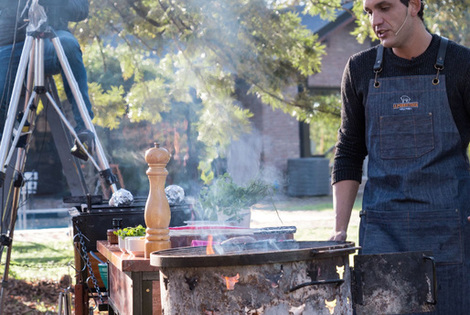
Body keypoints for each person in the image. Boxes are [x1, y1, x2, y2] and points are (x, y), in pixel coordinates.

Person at [330, 0, 470, 313]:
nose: (375, 21)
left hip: (449, 232)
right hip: (382, 232)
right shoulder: (360, 69)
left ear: (414, 5)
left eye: (384, 7)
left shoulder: (462, 64)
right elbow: (349, 150)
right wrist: (339, 228)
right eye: (369, 12)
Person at [0, 0, 94, 142]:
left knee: (69, 46)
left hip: (51, 36)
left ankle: (83, 129)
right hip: (10, 42)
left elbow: (81, 10)